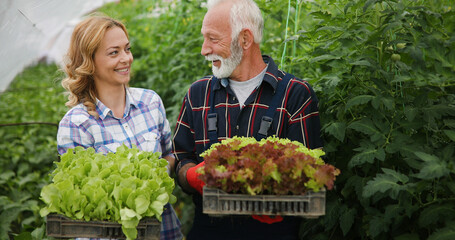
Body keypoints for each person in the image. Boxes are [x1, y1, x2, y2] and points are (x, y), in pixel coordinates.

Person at [171, 0, 323, 239]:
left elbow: (310, 178)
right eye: (204, 38)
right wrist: (190, 175)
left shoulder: (295, 94)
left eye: (213, 38)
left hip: (272, 232)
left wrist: (276, 198)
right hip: (208, 230)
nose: (203, 49)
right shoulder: (198, 94)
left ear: (245, 39)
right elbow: (182, 160)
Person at [56, 14, 183, 240]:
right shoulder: (76, 125)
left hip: (164, 232)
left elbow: (169, 154)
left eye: (127, 49)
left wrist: (152, 183)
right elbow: (82, 204)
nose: (126, 58)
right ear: (89, 62)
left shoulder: (150, 103)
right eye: (114, 52)